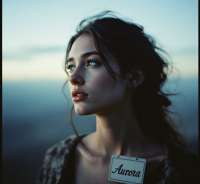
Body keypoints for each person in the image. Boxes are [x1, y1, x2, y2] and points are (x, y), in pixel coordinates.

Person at [37, 11, 199, 184]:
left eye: (92, 62)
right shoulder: (57, 158)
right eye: (71, 66)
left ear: (134, 77)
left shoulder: (183, 171)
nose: (73, 77)